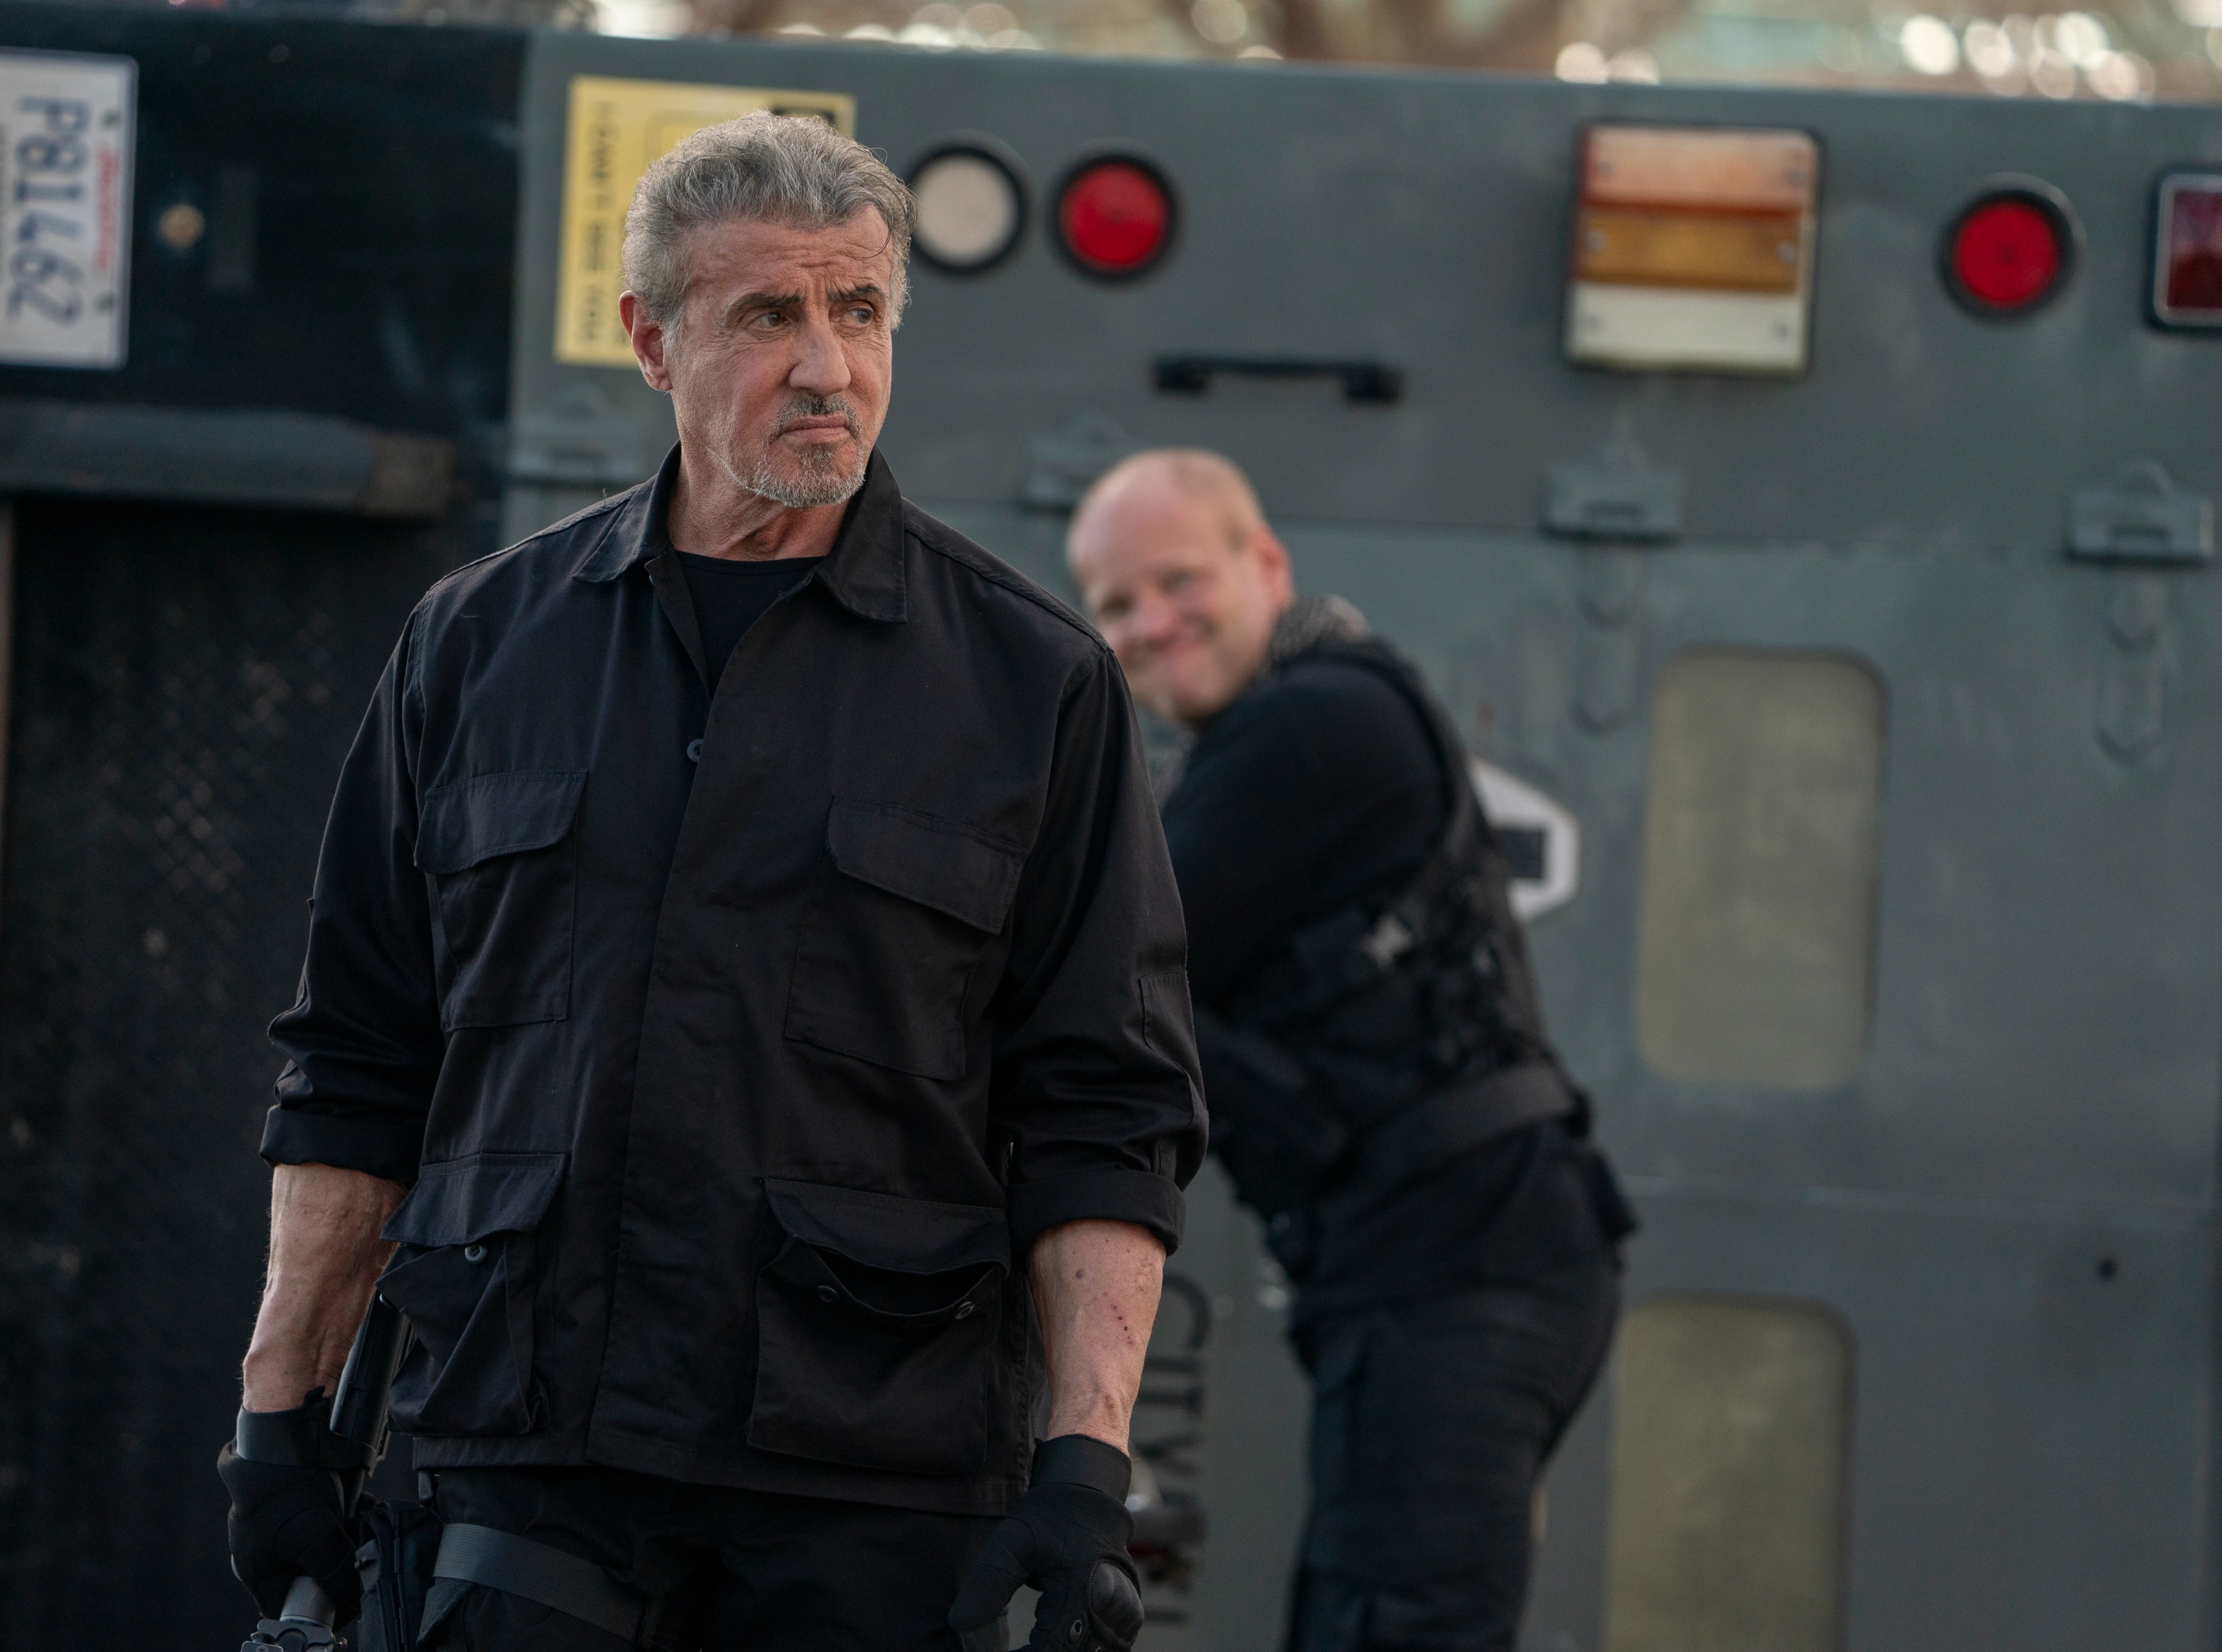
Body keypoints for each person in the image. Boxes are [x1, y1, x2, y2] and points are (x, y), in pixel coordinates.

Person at [217, 115, 1205, 1652]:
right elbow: (357, 1057)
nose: (827, 365)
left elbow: (1105, 1113)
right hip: (524, 1454)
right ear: (652, 341)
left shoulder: (1034, 685)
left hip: (867, 1494)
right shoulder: (477, 649)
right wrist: (278, 1411)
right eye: (770, 315)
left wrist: (1084, 1465)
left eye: (859, 312)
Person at [1066, 452, 1633, 1652]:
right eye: (1118, 605)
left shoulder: (1314, 727)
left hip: (1463, 1274)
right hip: (1444, 1271)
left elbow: (1102, 947)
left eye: (1179, 580)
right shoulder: (1273, 735)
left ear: (1263, 564)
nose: (1152, 624)